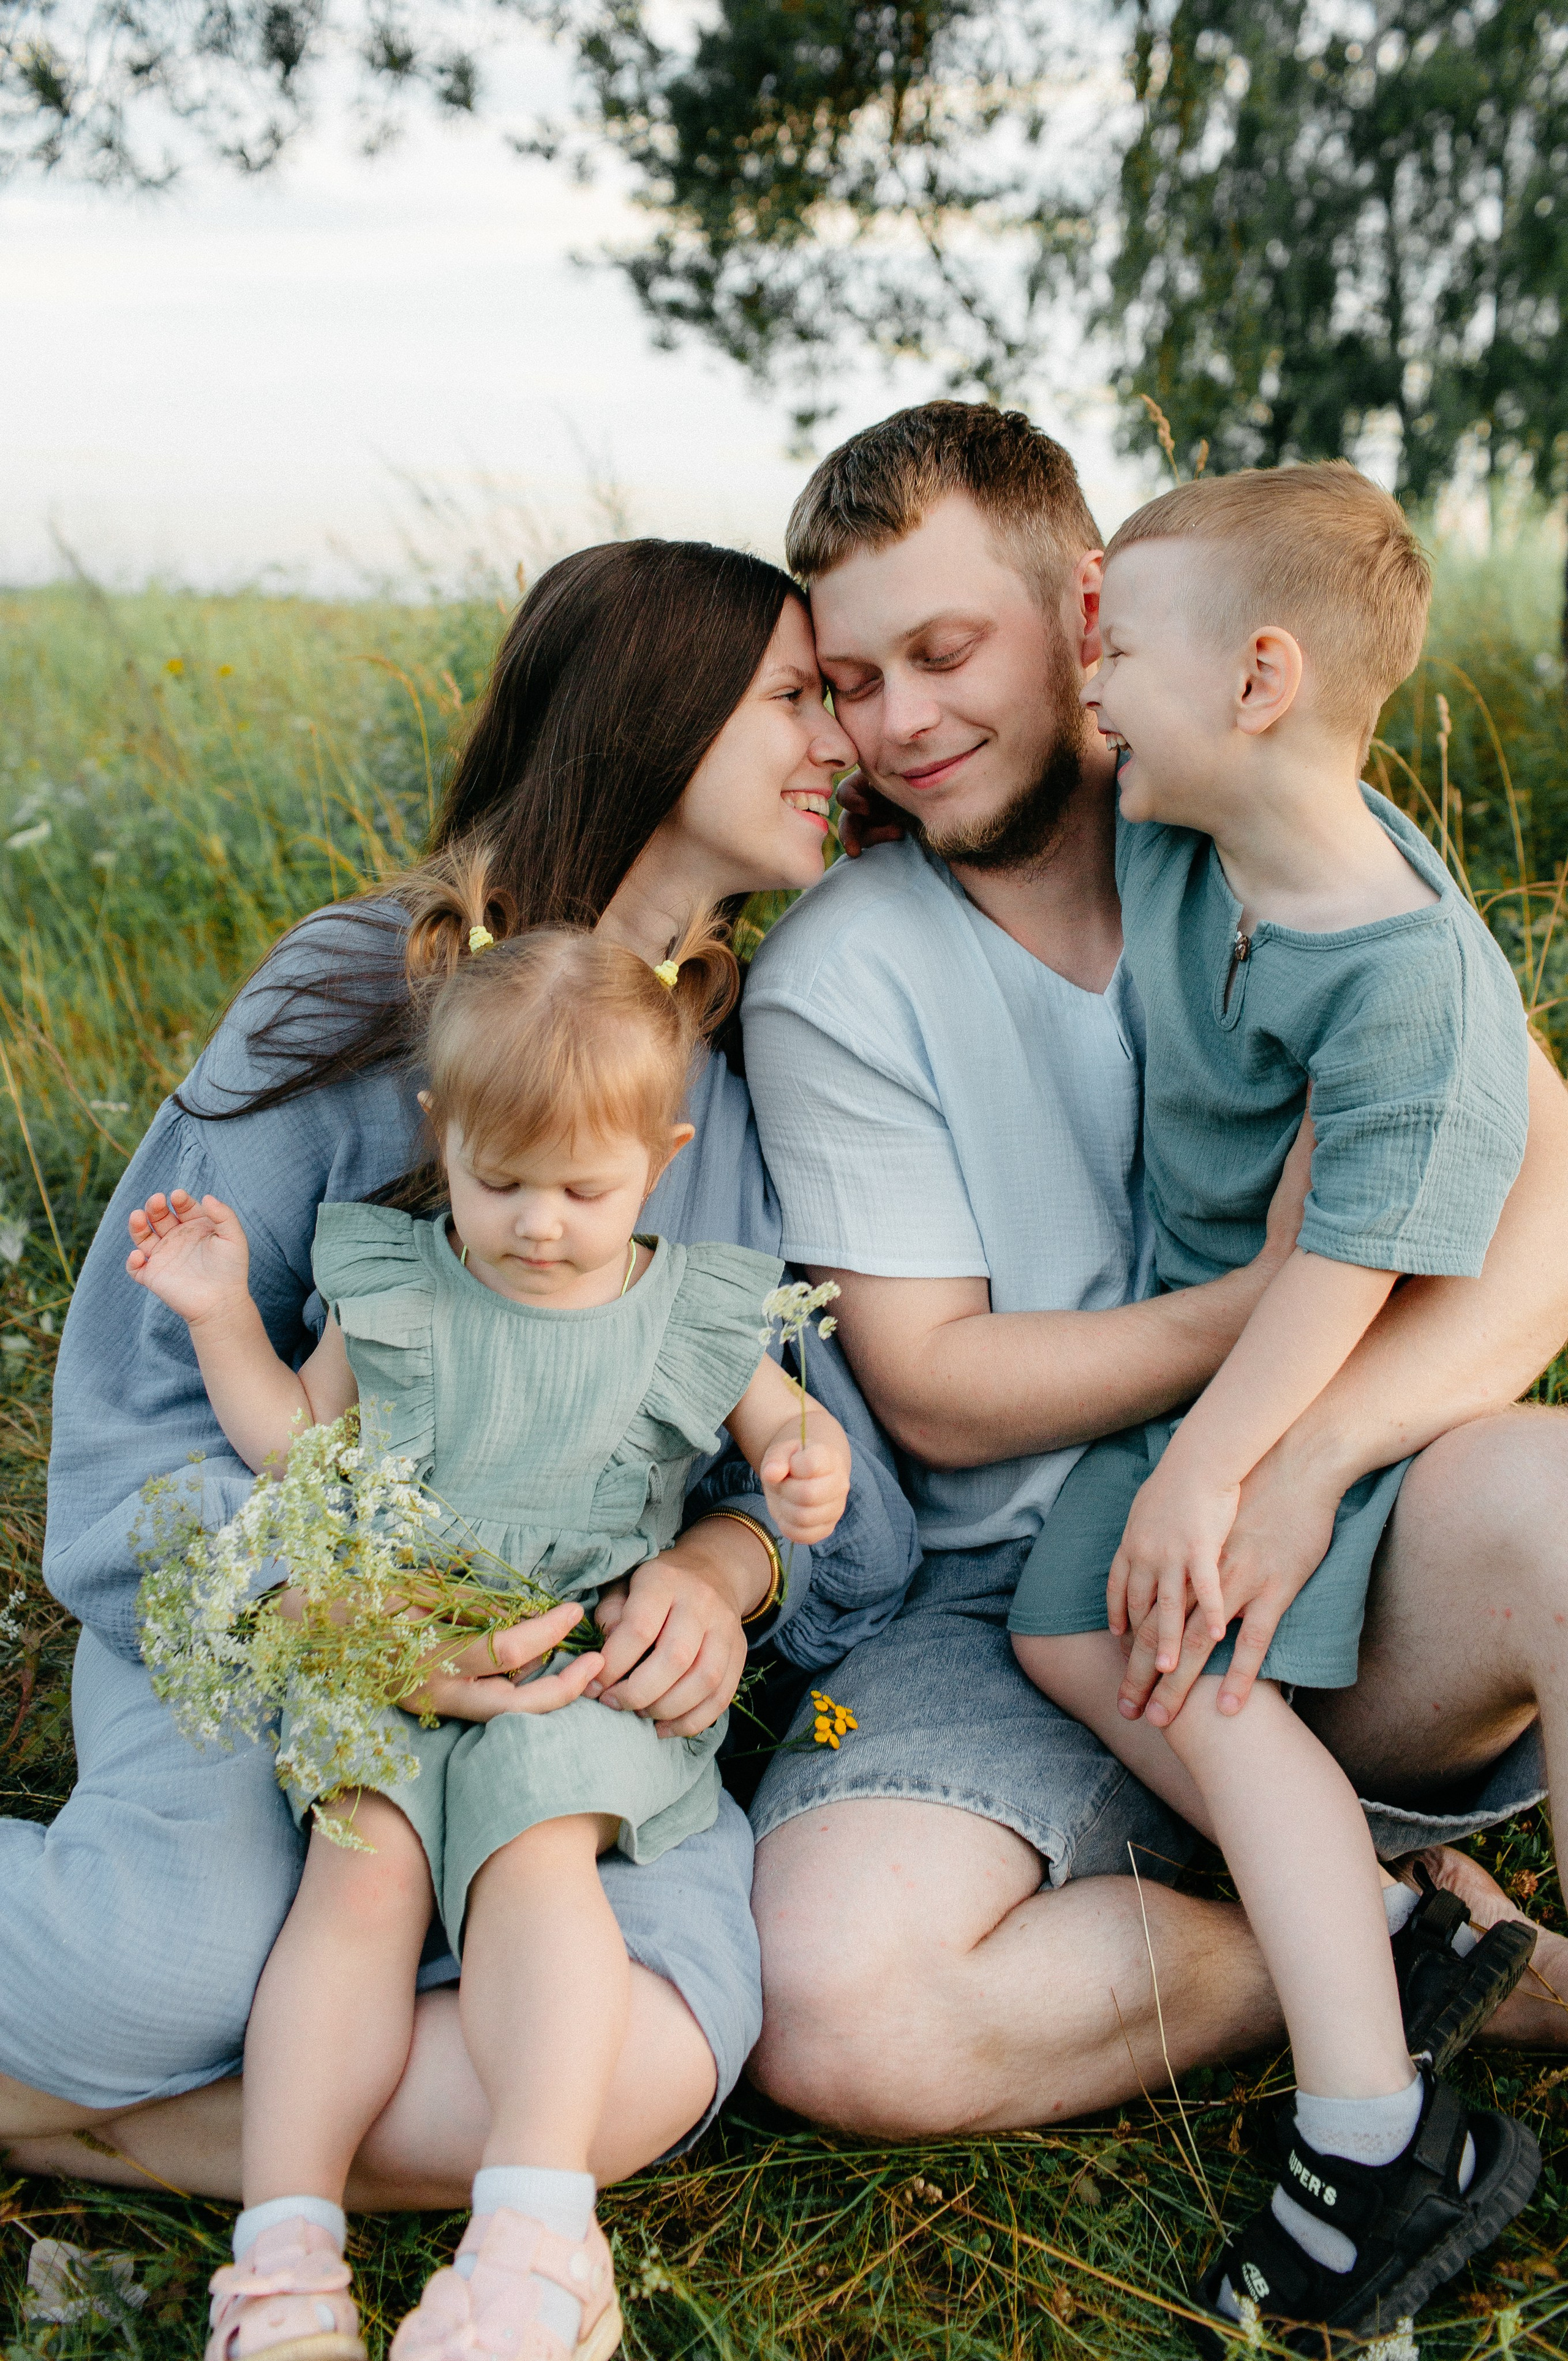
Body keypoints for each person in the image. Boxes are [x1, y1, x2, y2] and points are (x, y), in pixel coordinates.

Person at [1, 540, 918, 2209]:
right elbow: (135, 1420)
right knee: (152, 1981)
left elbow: (809, 1458)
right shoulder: (363, 989)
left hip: (563, 1704)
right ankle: (152, 2074)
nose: (843, 743)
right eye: (796, 697)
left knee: (636, 2061)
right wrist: (354, 1624)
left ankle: (81, 2131)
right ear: (653, 713)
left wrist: (729, 1566)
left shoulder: (737, 1052)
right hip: (281, 1632)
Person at [742, 401, 1568, 2150]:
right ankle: (1414, 1947)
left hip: (1329, 1526)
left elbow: (1549, 1195)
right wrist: (1258, 1305)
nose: (901, 724)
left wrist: (1310, 1454)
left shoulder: (1264, 815)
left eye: (948, 651)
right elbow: (943, 1395)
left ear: (1086, 602)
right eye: (854, 681)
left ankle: (1353, 1884)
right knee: (840, 2005)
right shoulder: (848, 974)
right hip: (1008, 1613)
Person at [125, 909, 852, 2361]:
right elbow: (301, 1451)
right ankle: (284, 2256)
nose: (535, 1223)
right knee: (357, 1875)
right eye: (496, 1178)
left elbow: (787, 1436)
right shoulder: (399, 1285)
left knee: (537, 1859)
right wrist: (220, 1319)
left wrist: (800, 1462)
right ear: (438, 1131)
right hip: (397, 1643)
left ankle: (530, 2228)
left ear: (663, 1157)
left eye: (582, 1187)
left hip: (574, 1667)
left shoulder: (690, 1308)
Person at [1005, 462, 1537, 2343]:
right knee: (1068, 1629)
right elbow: (1066, 703)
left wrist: (1216, 1479)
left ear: (1259, 682)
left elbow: (1349, 1276)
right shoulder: (1187, 830)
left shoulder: (1416, 994)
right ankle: (1409, 1927)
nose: (1096, 698)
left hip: (1295, 1407)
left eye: (1124, 661)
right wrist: (1082, 600)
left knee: (1188, 1669)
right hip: (1209, 1379)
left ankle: (1374, 2137)